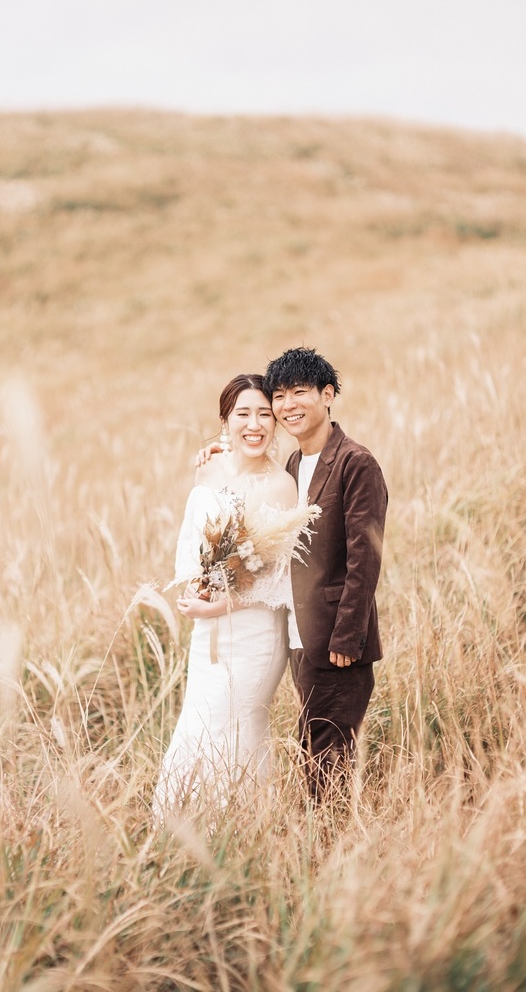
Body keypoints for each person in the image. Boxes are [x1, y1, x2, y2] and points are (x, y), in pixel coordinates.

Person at [198, 349, 388, 800]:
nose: (287, 405)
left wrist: (348, 639)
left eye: (299, 392)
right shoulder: (293, 464)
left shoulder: (355, 463)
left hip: (337, 644)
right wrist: (220, 448)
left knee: (326, 759)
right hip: (298, 639)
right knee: (314, 749)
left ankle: (330, 848)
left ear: (328, 395)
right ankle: (325, 842)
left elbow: (366, 557)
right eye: (279, 395)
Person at [153, 374, 304, 822]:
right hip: (207, 632)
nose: (254, 424)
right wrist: (198, 587)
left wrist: (218, 605)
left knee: (234, 725)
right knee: (197, 722)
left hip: (254, 635)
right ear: (226, 421)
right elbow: (198, 541)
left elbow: (277, 581)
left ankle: (240, 824)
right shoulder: (209, 467)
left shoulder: (281, 487)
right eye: (243, 414)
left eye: (264, 414)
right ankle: (182, 827)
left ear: (275, 424)